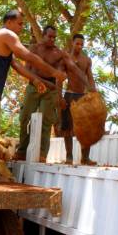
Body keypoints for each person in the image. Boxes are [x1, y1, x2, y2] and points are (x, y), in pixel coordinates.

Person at [0, 10, 66, 181]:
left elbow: (16, 65)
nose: (22, 27)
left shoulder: (1, 39)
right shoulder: (6, 34)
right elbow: (28, 57)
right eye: (20, 23)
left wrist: (36, 80)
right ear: (9, 22)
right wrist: (54, 72)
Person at [16, 25, 70, 161]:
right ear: (43, 35)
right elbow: (26, 69)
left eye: (54, 37)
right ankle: (22, 150)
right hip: (33, 85)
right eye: (50, 36)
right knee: (25, 117)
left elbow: (59, 77)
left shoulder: (58, 53)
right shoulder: (34, 49)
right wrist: (39, 82)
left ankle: (42, 154)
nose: (52, 39)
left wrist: (59, 95)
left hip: (50, 91)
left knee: (46, 121)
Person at [59, 34, 97, 164]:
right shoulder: (65, 58)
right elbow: (59, 78)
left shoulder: (86, 60)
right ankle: (69, 157)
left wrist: (94, 94)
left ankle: (85, 158)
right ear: (72, 43)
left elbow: (90, 78)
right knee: (67, 128)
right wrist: (59, 97)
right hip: (69, 95)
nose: (79, 46)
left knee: (86, 128)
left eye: (82, 44)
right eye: (77, 43)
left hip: (83, 96)